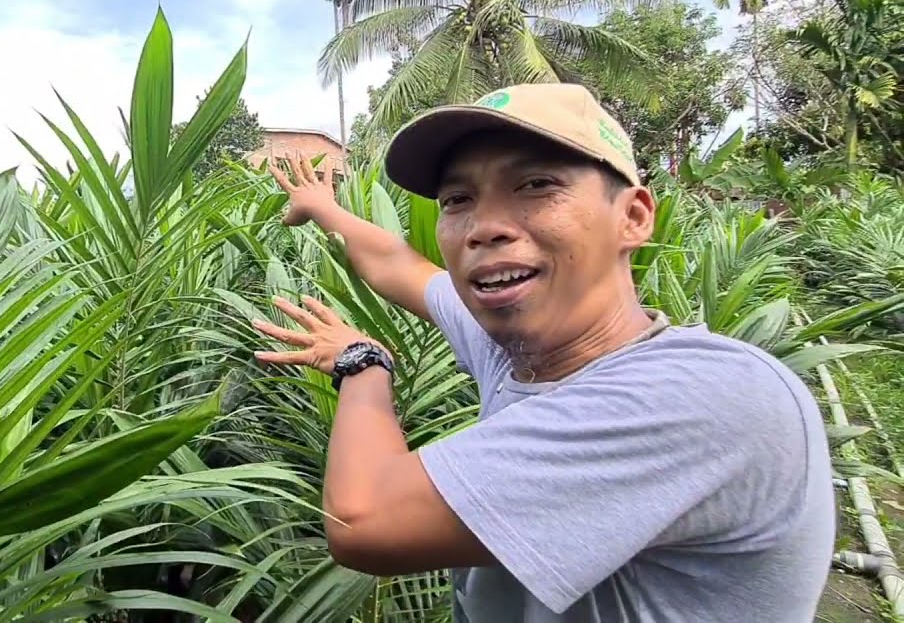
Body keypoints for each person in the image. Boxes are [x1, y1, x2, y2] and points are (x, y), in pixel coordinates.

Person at [251, 83, 835, 622]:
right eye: (458, 199)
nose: (483, 226)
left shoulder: (708, 394)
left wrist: (363, 364)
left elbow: (363, 520)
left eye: (535, 185)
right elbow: (399, 264)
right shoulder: (515, 346)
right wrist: (323, 207)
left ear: (632, 216)